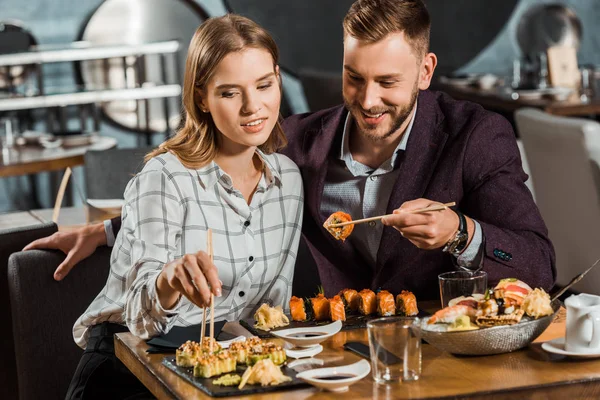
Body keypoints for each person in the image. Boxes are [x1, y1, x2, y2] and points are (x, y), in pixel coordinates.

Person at [26, 0, 555, 302]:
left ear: (425, 71)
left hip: (443, 352)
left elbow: (540, 265)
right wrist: (106, 230)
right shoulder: (297, 143)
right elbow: (202, 187)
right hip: (337, 362)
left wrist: (461, 233)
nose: (368, 101)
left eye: (388, 82)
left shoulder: (475, 136)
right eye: (355, 78)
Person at [60, 14, 303, 399]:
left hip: (215, 371)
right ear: (202, 97)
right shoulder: (164, 177)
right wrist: (170, 281)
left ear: (277, 78)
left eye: (264, 85)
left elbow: (271, 311)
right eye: (229, 92)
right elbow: (140, 318)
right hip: (127, 371)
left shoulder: (287, 180)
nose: (252, 106)